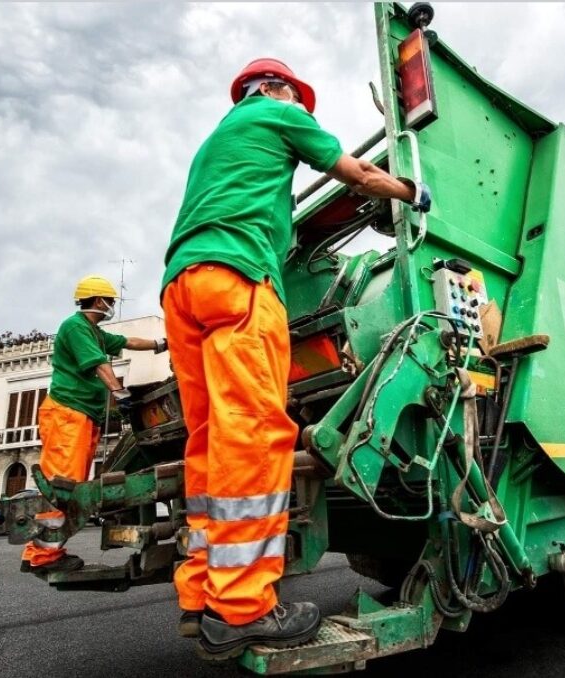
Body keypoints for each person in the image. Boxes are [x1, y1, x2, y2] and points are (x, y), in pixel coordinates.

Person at [161, 58, 432, 658]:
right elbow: (357, 173)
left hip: (182, 288)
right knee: (255, 436)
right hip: (238, 281)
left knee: (209, 442)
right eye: (298, 99)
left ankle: (202, 594)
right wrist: (413, 193)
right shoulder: (277, 113)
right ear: (274, 88)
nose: (302, 110)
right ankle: (243, 608)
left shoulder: (218, 141)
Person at [20, 275, 167, 574]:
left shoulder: (95, 332)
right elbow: (99, 363)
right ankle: (41, 556)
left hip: (80, 415)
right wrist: (119, 392)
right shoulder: (75, 327)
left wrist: (162, 344)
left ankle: (39, 552)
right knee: (63, 485)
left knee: (71, 485)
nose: (112, 305)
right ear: (99, 300)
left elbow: (128, 342)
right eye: (110, 301)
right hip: (67, 413)